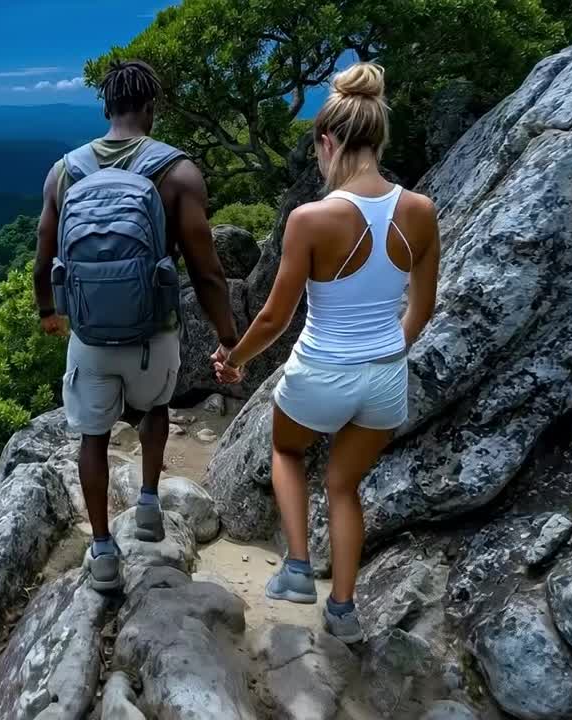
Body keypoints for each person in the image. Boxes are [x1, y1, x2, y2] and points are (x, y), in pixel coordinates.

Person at [212, 62, 440, 643]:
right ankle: (343, 609)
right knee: (344, 486)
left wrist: (236, 359)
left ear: (328, 141)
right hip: (386, 377)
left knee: (286, 451)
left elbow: (274, 316)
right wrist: (390, 350)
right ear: (378, 140)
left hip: (322, 370)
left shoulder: (310, 219)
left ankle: (293, 566)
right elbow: (422, 304)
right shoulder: (421, 210)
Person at [34, 60, 239, 594]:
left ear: (106, 109)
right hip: (155, 333)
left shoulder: (64, 172)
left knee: (93, 438)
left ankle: (102, 552)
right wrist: (228, 336)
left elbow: (43, 256)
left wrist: (47, 312)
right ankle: (148, 506)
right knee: (154, 409)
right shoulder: (178, 173)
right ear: (152, 108)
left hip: (91, 336)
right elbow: (206, 268)